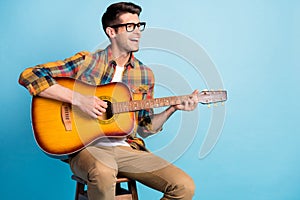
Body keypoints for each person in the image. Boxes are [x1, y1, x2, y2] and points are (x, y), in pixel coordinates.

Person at [19, 2, 198, 200]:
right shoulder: (87, 62)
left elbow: (144, 129)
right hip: (87, 149)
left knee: (183, 185)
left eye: (139, 26)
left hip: (126, 149)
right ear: (111, 32)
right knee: (104, 172)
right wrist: (79, 99)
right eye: (130, 26)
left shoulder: (145, 74)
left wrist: (171, 109)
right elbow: (30, 75)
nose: (137, 32)